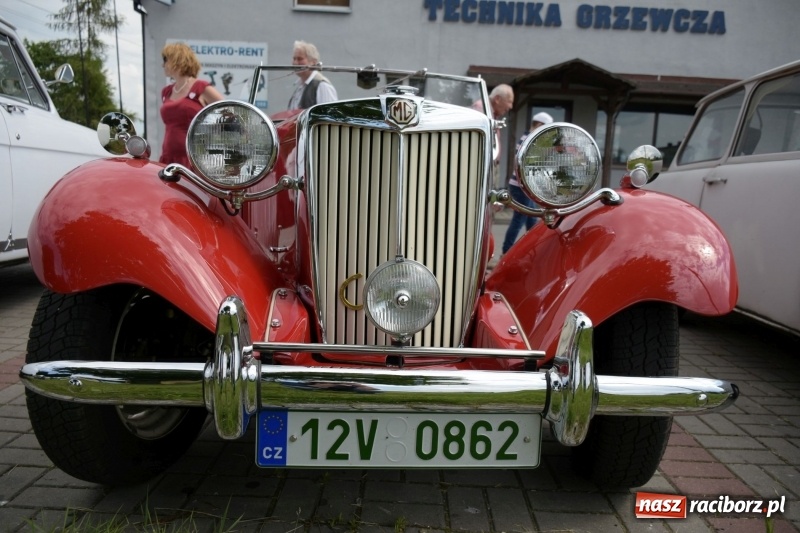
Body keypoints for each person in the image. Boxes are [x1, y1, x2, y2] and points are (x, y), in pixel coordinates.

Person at [159, 42, 224, 167]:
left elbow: (229, 112)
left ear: (176, 60)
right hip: (168, 156)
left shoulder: (200, 87)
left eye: (166, 60)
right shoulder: (166, 91)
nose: (163, 65)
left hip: (195, 159)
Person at [501, 111, 554, 255]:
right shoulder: (530, 140)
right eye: (545, 129)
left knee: (532, 219)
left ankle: (533, 249)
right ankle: (507, 250)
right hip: (521, 186)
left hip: (522, 185)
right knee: (520, 219)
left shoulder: (527, 138)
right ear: (539, 125)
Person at [288, 40, 338, 110]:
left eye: (300, 59)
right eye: (294, 59)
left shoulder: (322, 86)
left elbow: (329, 114)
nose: (295, 63)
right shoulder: (299, 88)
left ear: (313, 62)